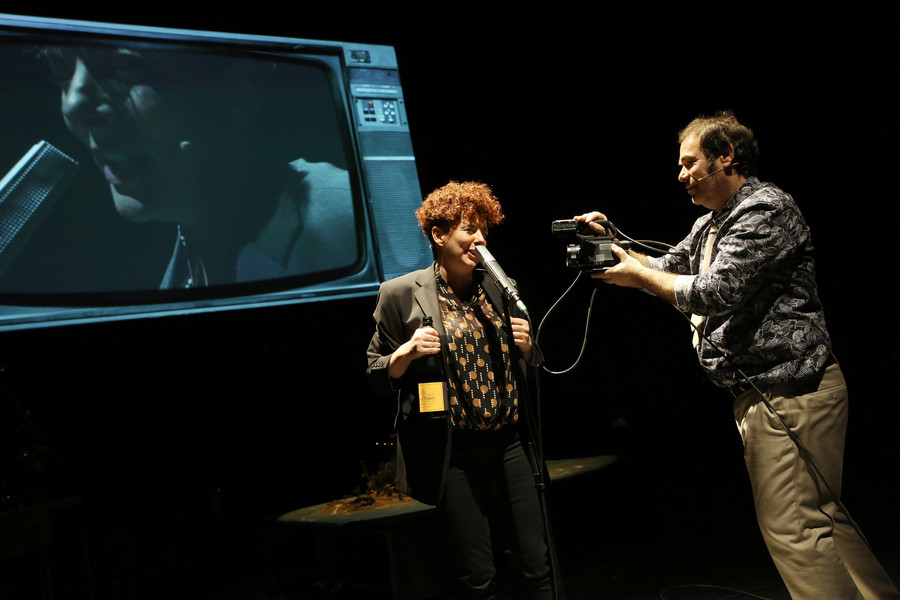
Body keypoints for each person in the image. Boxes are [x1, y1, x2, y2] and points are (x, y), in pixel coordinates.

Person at [575, 111, 899, 599]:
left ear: (726, 156)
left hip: (789, 389)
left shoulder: (764, 210)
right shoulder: (712, 223)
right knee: (823, 516)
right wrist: (613, 246)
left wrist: (639, 276)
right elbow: (665, 267)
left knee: (794, 527)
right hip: (779, 391)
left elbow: (713, 291)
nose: (681, 175)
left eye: (690, 163)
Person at [366, 181, 554, 599]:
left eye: (484, 229)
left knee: (535, 564)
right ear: (439, 235)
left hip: (509, 444)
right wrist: (407, 351)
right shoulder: (400, 294)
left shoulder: (500, 288)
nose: (480, 238)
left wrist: (529, 349)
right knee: (477, 576)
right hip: (455, 452)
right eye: (470, 229)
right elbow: (376, 373)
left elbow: (529, 368)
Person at [45, 43, 355, 288]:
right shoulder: (190, 257)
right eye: (63, 72)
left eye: (126, 67)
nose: (73, 104)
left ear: (242, 90)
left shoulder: (343, 224)